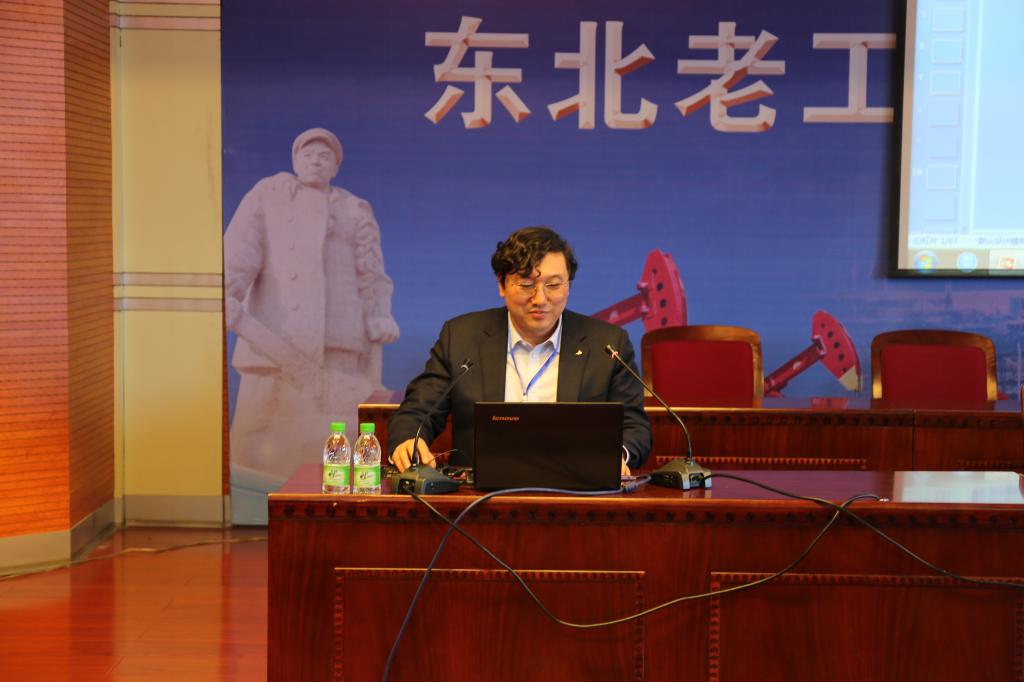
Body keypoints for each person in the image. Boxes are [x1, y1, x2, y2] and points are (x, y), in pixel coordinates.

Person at [224, 128, 399, 519]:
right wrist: (229, 293)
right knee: (256, 436)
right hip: (274, 338)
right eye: (307, 154)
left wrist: (378, 313)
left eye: (325, 156)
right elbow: (240, 249)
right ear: (294, 160)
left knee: (337, 433)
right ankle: (254, 504)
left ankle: (338, 509)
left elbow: (371, 272)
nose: (315, 161)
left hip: (340, 337)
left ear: (336, 166)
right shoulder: (269, 194)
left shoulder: (355, 209)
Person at [387, 226, 651, 474]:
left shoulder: (607, 345)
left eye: (553, 284)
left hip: (576, 494)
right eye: (526, 285)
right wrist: (408, 441)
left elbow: (635, 428)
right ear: (501, 285)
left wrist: (616, 455)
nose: (540, 299)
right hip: (476, 496)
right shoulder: (461, 338)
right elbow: (417, 412)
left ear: (568, 285)